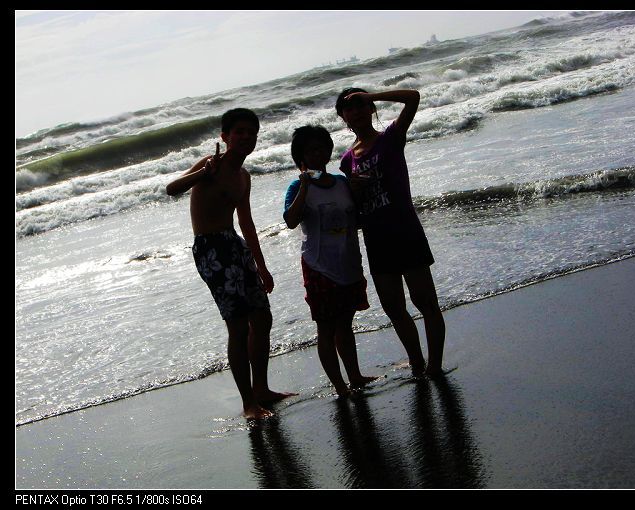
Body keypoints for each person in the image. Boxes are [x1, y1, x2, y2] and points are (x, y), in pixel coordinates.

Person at [166, 108, 295, 419]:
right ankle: (248, 403)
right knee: (237, 326)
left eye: (252, 133)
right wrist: (202, 173)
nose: (246, 137)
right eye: (239, 132)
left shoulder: (243, 176)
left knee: (262, 318)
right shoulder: (211, 165)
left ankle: (261, 389)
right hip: (212, 250)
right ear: (225, 137)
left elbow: (246, 223)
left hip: (235, 245)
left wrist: (262, 266)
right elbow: (172, 189)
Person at [335, 88, 445, 377]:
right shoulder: (347, 160)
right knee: (393, 308)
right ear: (343, 117)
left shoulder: (390, 137)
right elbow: (355, 209)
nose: (356, 111)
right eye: (349, 108)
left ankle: (435, 366)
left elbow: (413, 97)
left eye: (361, 105)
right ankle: (417, 363)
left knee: (425, 302)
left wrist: (371, 94)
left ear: (371, 108)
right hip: (376, 238)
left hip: (405, 229)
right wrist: (354, 191)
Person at [283, 125, 377, 397]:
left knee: (345, 324)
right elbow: (290, 221)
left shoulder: (341, 182)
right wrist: (304, 185)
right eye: (310, 150)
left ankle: (355, 376)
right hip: (319, 266)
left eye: (321, 147)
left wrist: (362, 189)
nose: (317, 153)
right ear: (301, 156)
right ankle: (339, 385)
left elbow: (357, 218)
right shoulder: (297, 187)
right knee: (325, 328)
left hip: (348, 263)